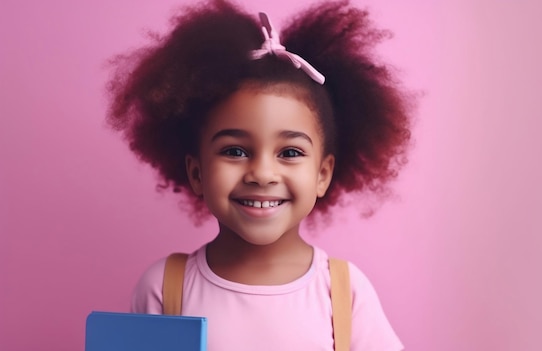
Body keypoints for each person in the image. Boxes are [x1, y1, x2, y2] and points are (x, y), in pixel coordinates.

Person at [106, 0, 413, 349]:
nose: (263, 173)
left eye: (290, 153)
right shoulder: (163, 287)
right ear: (196, 172)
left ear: (322, 174)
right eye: (235, 151)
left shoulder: (344, 290)